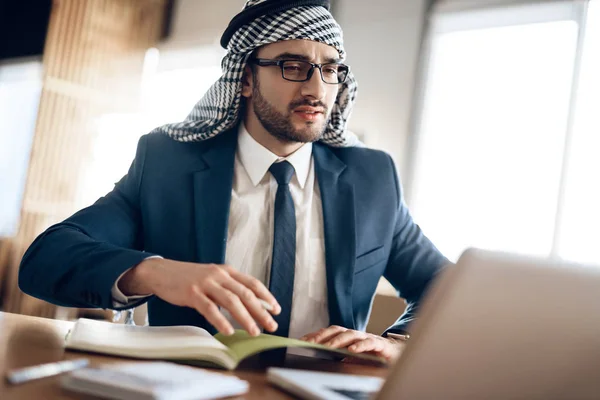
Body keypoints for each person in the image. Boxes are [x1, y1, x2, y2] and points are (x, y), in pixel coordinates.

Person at [19, 0, 449, 363]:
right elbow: (45, 260)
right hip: (191, 384)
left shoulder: (372, 177)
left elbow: (442, 286)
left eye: (331, 70)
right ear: (244, 79)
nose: (317, 88)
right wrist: (154, 272)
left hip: (324, 387)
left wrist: (396, 344)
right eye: (292, 66)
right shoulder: (167, 164)